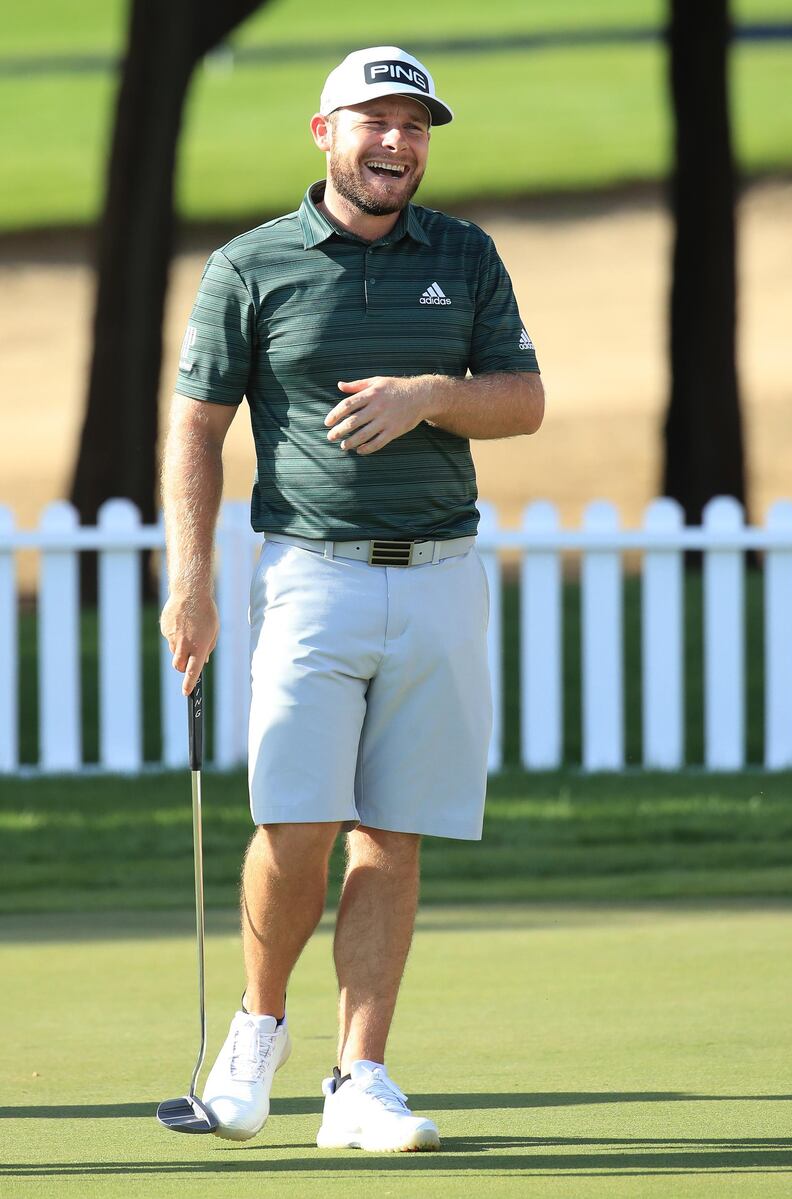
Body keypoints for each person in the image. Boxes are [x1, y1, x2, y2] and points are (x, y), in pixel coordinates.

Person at [160, 45, 544, 1152]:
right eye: (373, 122)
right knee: (295, 823)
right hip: (310, 576)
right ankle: (255, 1033)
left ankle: (357, 1080)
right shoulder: (252, 264)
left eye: (413, 125)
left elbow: (519, 399)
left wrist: (431, 395)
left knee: (394, 831)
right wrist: (189, 579)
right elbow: (196, 423)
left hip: (438, 575)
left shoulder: (463, 255)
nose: (395, 142)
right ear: (323, 133)